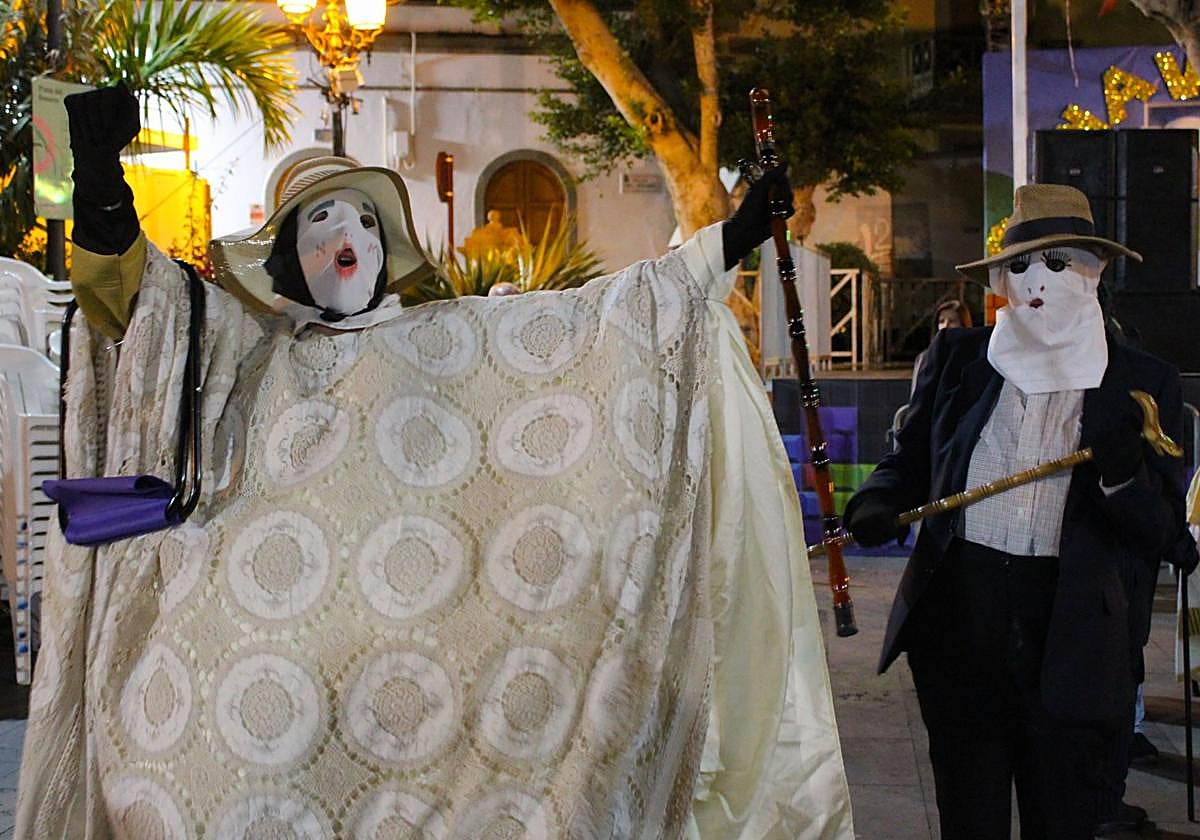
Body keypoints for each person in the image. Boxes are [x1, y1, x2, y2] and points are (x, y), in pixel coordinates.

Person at [16, 83, 854, 838]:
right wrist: (100, 187)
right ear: (284, 264)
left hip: (430, 711)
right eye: (320, 221)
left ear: (386, 252)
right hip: (253, 711)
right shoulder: (237, 352)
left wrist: (734, 235)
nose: (346, 234)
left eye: (363, 221)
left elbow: (615, 318)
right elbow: (140, 309)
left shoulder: (461, 340)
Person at [843, 183, 1186, 839]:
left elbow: (1169, 536)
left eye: (1058, 264)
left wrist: (1122, 476)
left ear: (1094, 270)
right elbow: (906, 460)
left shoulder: (1142, 384)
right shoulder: (956, 360)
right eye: (1022, 265)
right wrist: (880, 499)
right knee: (969, 823)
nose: (1037, 282)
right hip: (960, 641)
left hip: (1074, 649)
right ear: (999, 277)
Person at [910, 299, 972, 396]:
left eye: (952, 321)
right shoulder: (924, 359)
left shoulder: (973, 357)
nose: (946, 325)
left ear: (963, 324)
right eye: (941, 321)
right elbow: (916, 396)